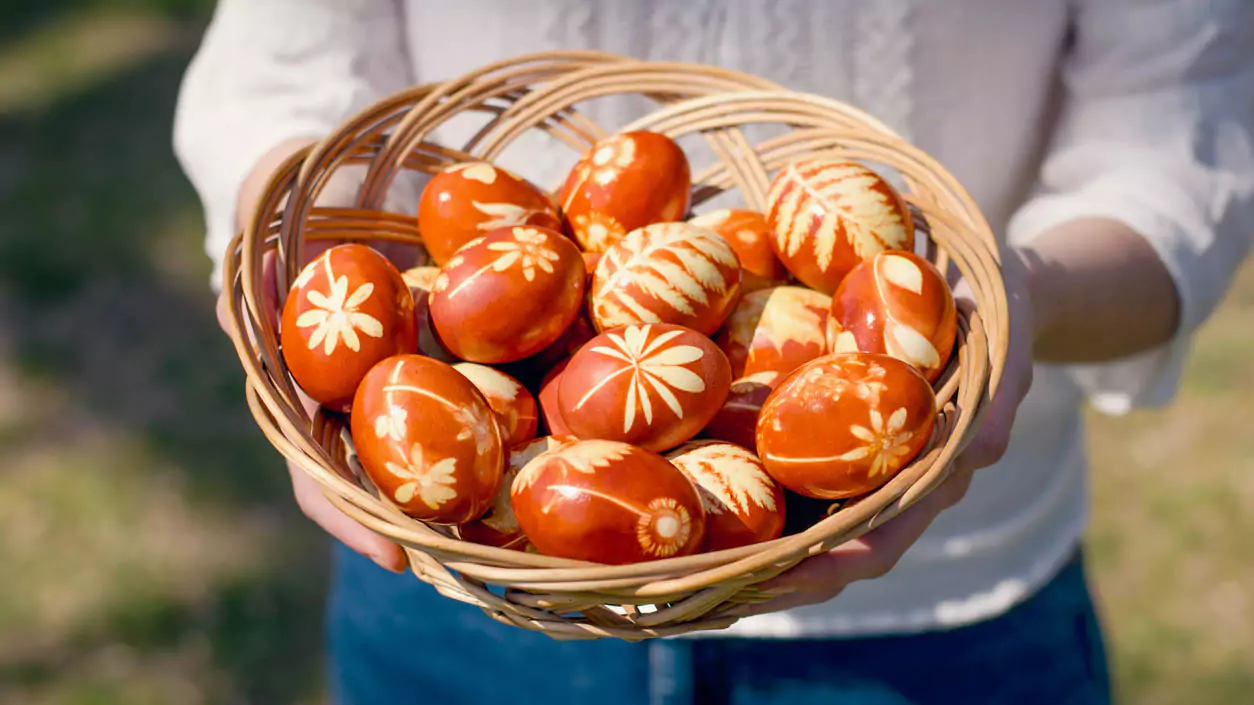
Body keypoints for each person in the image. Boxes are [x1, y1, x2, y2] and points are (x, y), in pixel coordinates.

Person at [173, 2, 1254, 703]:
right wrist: (291, 269)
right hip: (459, 584)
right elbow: (284, 76)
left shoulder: (679, 292)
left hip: (946, 608)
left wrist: (1025, 297)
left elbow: (1180, 140)